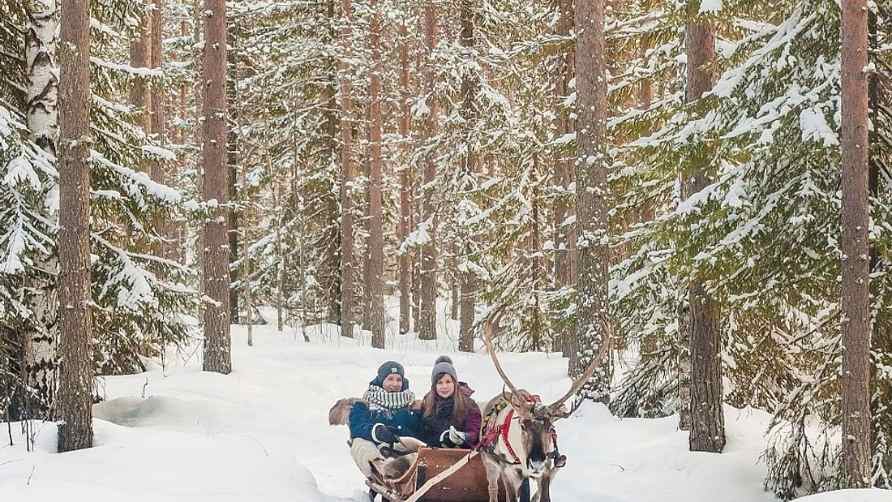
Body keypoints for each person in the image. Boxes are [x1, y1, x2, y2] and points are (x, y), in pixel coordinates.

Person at [348, 360, 421, 478]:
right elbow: (356, 426)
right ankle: (383, 470)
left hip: (404, 448)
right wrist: (376, 431)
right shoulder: (365, 404)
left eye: (399, 380)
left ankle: (404, 467)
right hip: (377, 448)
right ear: (381, 380)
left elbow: (422, 429)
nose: (395, 383)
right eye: (390, 379)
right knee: (359, 442)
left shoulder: (412, 404)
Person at [417, 356, 481, 449]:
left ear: (454, 383)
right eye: (440, 383)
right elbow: (422, 434)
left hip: (462, 455)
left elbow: (474, 432)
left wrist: (464, 437)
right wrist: (439, 439)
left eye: (448, 382)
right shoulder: (427, 404)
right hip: (433, 454)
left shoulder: (469, 405)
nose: (444, 386)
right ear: (434, 386)